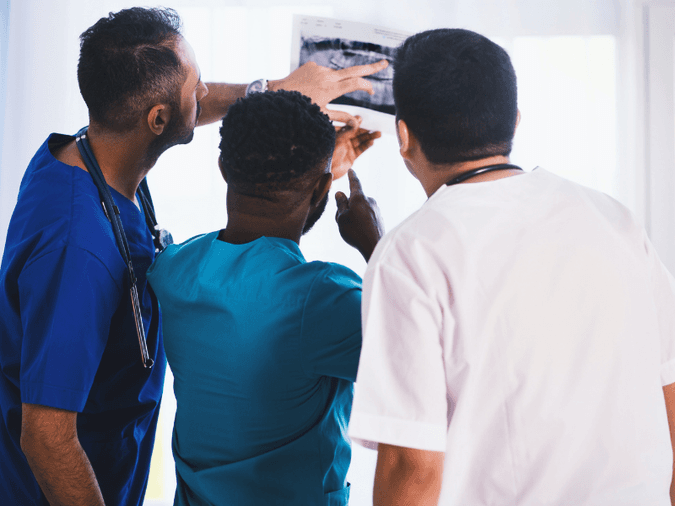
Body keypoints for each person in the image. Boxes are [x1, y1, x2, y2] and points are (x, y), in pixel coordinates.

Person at [0, 7, 387, 506]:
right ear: (158, 119)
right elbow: (47, 438)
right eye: (196, 86)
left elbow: (167, 113)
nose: (205, 95)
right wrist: (370, 239)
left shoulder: (90, 158)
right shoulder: (77, 249)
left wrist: (274, 101)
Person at [347, 27, 675, 506]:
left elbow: (410, 466)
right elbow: (669, 394)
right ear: (515, 122)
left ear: (403, 135)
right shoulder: (613, 218)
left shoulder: (408, 252)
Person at [146, 89, 383, 505]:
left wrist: (317, 173)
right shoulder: (323, 300)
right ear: (322, 188)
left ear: (223, 167)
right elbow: (425, 356)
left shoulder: (171, 271)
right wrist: (377, 247)